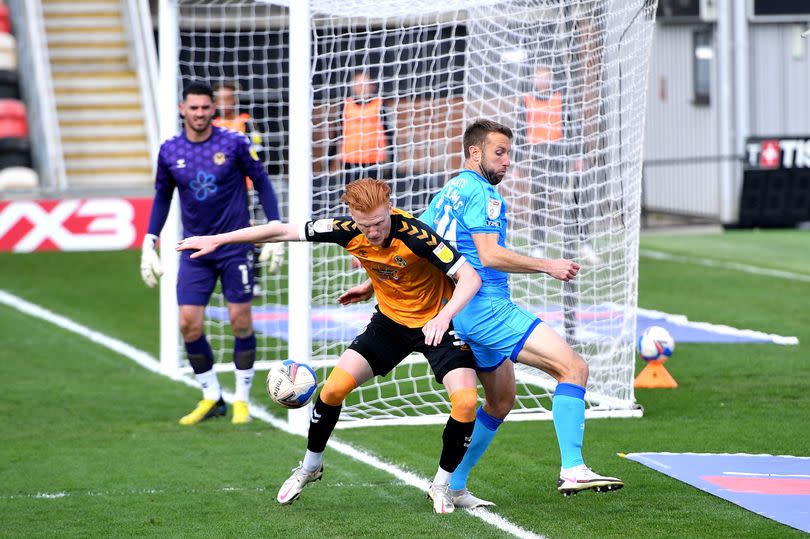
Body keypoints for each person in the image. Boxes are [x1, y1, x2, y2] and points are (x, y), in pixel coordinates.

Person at [177, 178, 482, 514]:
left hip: (439, 324)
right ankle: (310, 466)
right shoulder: (345, 229)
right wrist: (217, 240)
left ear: (390, 208)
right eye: (365, 225)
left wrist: (445, 316)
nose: (373, 232)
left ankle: (441, 485)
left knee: (466, 401)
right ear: (351, 215)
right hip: (391, 324)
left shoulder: (417, 235)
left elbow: (470, 277)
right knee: (332, 390)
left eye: (380, 223)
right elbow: (280, 232)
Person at [420, 119, 623, 506]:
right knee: (574, 368)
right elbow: (490, 255)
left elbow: (420, 241)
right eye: (500, 152)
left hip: (462, 310)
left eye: (509, 153)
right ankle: (573, 469)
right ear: (474, 153)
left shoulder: (449, 191)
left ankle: (452, 485)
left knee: (501, 400)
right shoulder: (483, 194)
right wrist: (548, 265)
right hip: (486, 309)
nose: (507, 161)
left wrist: (371, 285)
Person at [139, 81, 282, 426]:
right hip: (194, 248)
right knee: (188, 323)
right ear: (182, 109)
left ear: (212, 109)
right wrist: (150, 239)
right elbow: (162, 196)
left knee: (240, 320)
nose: (200, 113)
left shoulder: (233, 143)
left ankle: (243, 401)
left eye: (206, 107)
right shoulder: (170, 150)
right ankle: (212, 396)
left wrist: (275, 228)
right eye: (194, 108)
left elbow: (261, 182)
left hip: (235, 246)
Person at [213, 80, 283, 293]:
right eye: (220, 99)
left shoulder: (246, 122)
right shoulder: (211, 125)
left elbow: (258, 153)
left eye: (228, 98)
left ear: (234, 99)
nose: (224, 103)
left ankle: (255, 279)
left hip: (246, 188)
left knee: (252, 231)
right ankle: (228, 275)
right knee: (224, 232)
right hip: (219, 190)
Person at [330, 70, 395, 183]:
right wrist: (330, 160)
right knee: (353, 197)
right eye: (358, 84)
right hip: (350, 161)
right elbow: (337, 135)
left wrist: (392, 163)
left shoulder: (379, 105)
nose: (361, 88)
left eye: (364, 85)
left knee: (372, 197)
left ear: (371, 87)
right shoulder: (346, 105)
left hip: (374, 161)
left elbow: (389, 134)